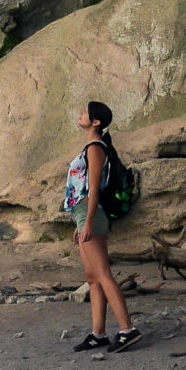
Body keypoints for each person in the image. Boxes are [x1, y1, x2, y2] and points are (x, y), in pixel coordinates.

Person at [66, 100, 141, 353]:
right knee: (92, 277)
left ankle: (127, 330)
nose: (81, 114)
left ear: (96, 122)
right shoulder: (90, 147)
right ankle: (98, 334)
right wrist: (80, 221)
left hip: (92, 213)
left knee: (103, 274)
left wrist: (88, 221)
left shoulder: (96, 148)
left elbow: (94, 188)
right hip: (84, 213)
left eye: (86, 112)